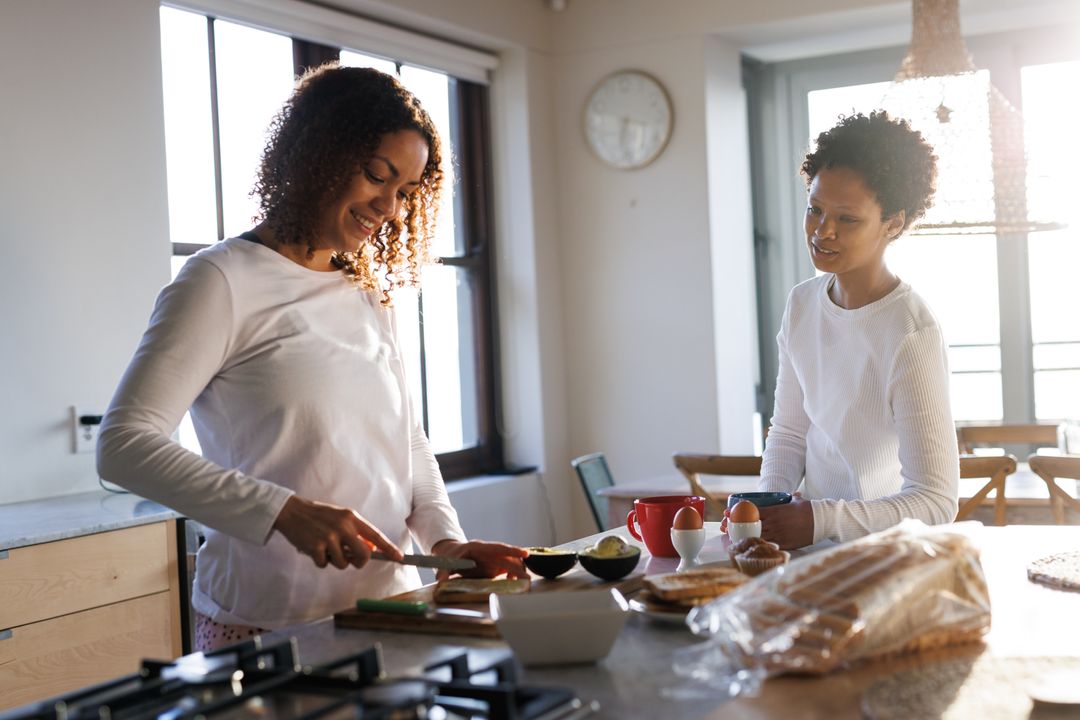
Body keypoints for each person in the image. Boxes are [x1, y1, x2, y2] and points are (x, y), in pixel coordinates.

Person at [98, 64, 527, 651]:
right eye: (379, 176)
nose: (392, 209)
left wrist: (445, 543)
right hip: (267, 622)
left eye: (405, 192)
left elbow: (405, 441)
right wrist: (285, 513)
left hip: (389, 610)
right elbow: (124, 445)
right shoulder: (221, 280)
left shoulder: (366, 291)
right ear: (318, 154)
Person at [755, 111, 959, 550]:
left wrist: (820, 519)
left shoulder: (910, 331)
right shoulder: (801, 305)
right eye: (814, 209)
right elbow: (789, 432)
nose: (821, 231)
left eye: (846, 219)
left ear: (894, 223)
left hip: (881, 560)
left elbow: (937, 500)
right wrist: (769, 507)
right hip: (809, 552)